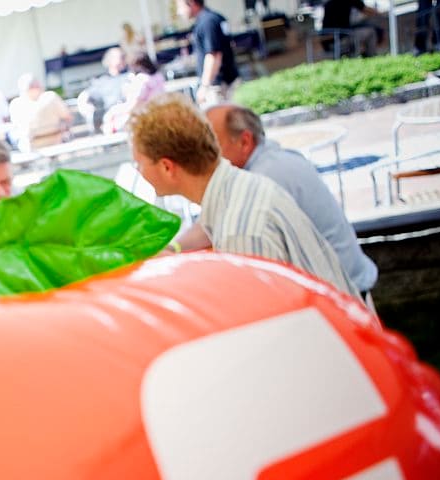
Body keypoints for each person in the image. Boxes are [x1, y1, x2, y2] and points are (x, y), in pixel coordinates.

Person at [127, 94, 360, 298]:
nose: (138, 171)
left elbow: (268, 325)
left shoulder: (241, 232)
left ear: (167, 167)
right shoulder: (238, 188)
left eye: (139, 163)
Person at [202, 104, 378, 295]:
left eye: (211, 146)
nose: (204, 156)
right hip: (347, 285)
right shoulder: (275, 159)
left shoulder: (264, 177)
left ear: (245, 141)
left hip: (345, 294)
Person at [175, 0, 239, 105]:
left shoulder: (207, 22)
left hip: (219, 86)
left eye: (180, 7)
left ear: (191, 3)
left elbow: (214, 55)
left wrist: (204, 86)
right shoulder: (215, 17)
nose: (179, 12)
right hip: (228, 80)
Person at [9, 73, 72, 152]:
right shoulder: (51, 97)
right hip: (56, 143)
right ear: (38, 85)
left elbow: (17, 127)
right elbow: (68, 117)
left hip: (32, 148)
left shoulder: (16, 104)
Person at [76, 47, 130, 132]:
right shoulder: (102, 81)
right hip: (113, 119)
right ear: (110, 60)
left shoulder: (130, 75)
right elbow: (84, 95)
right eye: (120, 57)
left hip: (130, 113)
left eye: (124, 57)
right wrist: (84, 106)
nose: (123, 59)